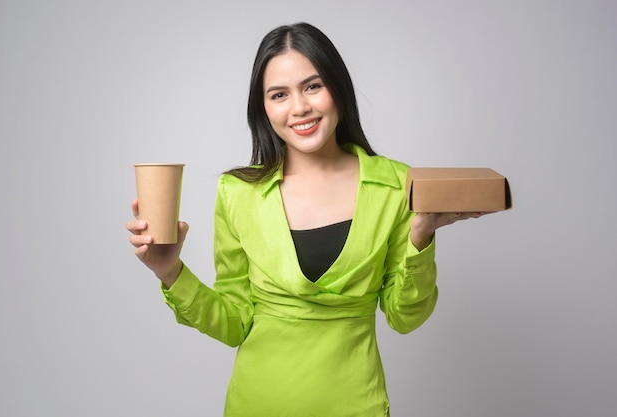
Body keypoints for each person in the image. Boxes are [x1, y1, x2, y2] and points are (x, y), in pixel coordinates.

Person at [127, 22, 484, 417]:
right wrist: (171, 272)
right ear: (263, 107)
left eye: (313, 86)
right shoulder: (238, 193)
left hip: (355, 405)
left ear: (338, 88)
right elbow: (234, 323)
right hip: (257, 403)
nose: (299, 108)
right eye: (279, 94)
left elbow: (404, 317)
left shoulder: (398, 184)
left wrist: (421, 236)